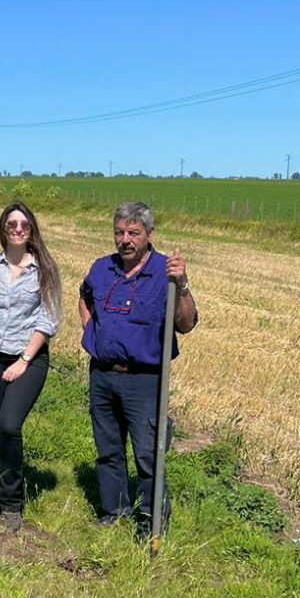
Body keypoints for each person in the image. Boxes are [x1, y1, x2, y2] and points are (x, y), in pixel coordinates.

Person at [78, 201, 198, 540]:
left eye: (134, 232)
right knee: (108, 447)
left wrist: (184, 285)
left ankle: (152, 520)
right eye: (119, 232)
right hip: (102, 374)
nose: (125, 239)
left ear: (149, 234)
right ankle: (115, 509)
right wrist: (90, 332)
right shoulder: (102, 268)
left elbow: (186, 323)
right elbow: (84, 297)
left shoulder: (165, 272)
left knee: (148, 452)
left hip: (144, 380)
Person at [0, 201, 62, 532]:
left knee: (9, 425)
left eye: (23, 224)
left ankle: (11, 505)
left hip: (29, 357)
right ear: (3, 230)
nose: (18, 229)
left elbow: (49, 319)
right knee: (1, 430)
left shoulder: (46, 270)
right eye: (11, 224)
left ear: (31, 229)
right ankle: (9, 492)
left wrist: (24, 361)